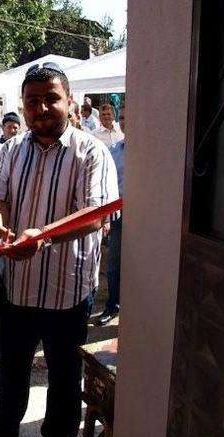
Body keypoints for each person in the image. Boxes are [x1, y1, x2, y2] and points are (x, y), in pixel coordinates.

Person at [0, 63, 118, 437]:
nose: (41, 107)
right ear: (23, 106)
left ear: (69, 100)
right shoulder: (10, 150)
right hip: (18, 286)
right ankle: (4, 428)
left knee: (64, 372)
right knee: (10, 365)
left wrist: (42, 237)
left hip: (67, 288)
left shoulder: (91, 151)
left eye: (50, 98)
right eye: (32, 100)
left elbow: (96, 216)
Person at [96, 106, 126, 326]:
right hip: (119, 215)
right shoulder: (114, 149)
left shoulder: (151, 150)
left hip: (146, 217)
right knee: (114, 264)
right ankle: (113, 305)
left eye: (128, 117)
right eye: (123, 117)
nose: (125, 121)